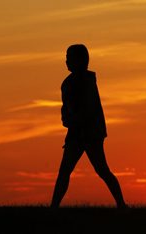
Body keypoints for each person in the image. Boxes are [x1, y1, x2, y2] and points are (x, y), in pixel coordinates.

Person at [50, 44, 126, 208]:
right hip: (76, 134)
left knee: (102, 170)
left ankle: (122, 204)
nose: (67, 61)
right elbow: (66, 107)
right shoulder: (68, 83)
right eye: (67, 58)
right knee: (65, 172)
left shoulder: (87, 81)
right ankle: (53, 208)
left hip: (90, 134)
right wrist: (67, 120)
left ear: (81, 60)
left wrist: (79, 123)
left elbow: (88, 108)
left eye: (70, 58)